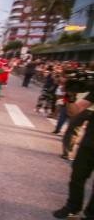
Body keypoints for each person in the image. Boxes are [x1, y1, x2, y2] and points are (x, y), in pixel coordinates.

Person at [53, 89, 94, 219]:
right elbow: (74, 111)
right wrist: (70, 98)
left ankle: (91, 214)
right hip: (89, 144)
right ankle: (73, 207)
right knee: (77, 177)